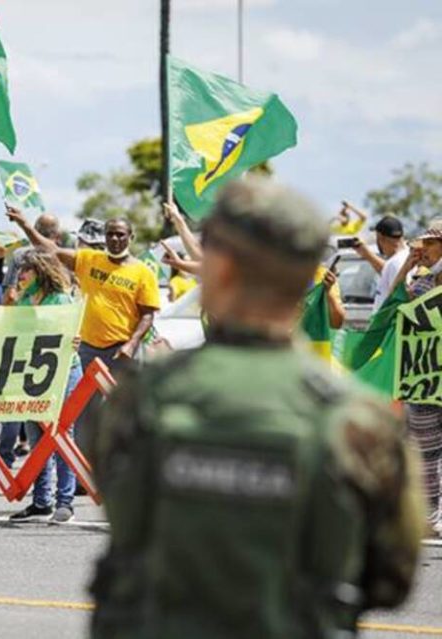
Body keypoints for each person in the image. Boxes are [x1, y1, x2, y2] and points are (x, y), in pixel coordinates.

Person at [87, 178, 423, 638]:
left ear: (220, 271)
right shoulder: (358, 420)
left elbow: (124, 520)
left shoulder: (144, 398)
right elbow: (392, 578)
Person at [7, 206, 159, 372]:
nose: (115, 239)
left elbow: (147, 315)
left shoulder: (144, 272)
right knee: (87, 398)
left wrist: (132, 344)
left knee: (122, 397)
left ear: (131, 237)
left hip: (122, 349)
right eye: (110, 234)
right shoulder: (89, 259)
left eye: (120, 234)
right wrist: (24, 224)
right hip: (87, 349)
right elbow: (52, 251)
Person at [7, 250, 83, 524]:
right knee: (36, 438)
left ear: (41, 272)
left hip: (64, 372)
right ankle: (42, 501)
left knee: (62, 435)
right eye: (19, 271)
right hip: (32, 375)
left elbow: (74, 333)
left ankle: (65, 501)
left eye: (26, 270)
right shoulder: (23, 301)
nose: (20, 275)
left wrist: (76, 340)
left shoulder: (61, 299)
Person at [390, 219, 442, 536]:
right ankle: (428, 517)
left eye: (429, 245)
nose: (423, 251)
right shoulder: (421, 285)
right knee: (425, 456)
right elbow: (393, 307)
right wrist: (406, 268)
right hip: (425, 385)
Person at [1, 214, 61, 303]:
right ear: (57, 236)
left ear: (34, 231)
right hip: (57, 310)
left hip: (25, 312)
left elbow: (10, 294)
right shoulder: (64, 257)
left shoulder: (20, 255)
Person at [354, 215, 409, 309]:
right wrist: (367, 254)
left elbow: (398, 300)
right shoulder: (407, 257)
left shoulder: (395, 263)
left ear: (380, 237)